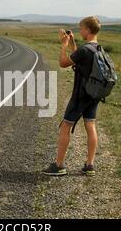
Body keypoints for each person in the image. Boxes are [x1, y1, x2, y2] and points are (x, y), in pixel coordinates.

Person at [42, 16, 102, 177]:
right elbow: (79, 59)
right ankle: (89, 165)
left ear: (88, 30)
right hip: (94, 95)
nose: (80, 30)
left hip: (80, 96)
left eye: (81, 28)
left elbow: (63, 63)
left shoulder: (85, 50)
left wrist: (63, 45)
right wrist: (73, 44)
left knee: (65, 127)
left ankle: (59, 165)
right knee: (91, 126)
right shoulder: (97, 49)